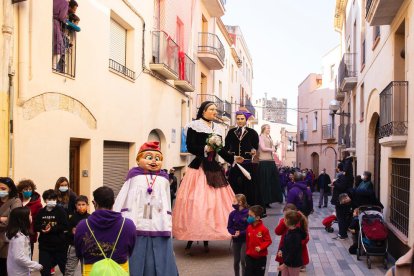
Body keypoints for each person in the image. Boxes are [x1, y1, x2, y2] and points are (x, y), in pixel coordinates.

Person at [172, 101, 243, 253]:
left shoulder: (217, 128)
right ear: (203, 111)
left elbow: (221, 150)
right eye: (211, 109)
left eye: (215, 110)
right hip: (198, 167)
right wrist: (205, 148)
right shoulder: (193, 126)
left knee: (215, 202)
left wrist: (232, 159)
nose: (214, 112)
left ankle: (215, 230)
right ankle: (193, 233)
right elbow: (190, 146)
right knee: (196, 202)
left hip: (214, 167)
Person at [113, 141, 178, 276]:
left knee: (161, 256)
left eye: (158, 158)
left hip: (159, 222)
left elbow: (167, 200)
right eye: (149, 157)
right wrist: (116, 215)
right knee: (135, 256)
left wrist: (168, 218)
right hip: (137, 222)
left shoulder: (164, 178)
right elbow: (123, 196)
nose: (154, 161)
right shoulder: (134, 175)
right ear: (138, 160)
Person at [75, 187, 136, 275]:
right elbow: (130, 251)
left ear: (94, 203)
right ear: (113, 202)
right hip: (119, 271)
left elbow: (79, 253)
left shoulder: (82, 226)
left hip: (91, 272)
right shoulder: (128, 225)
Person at [225, 110, 259, 205]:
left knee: (249, 187)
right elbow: (226, 147)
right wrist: (230, 155)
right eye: (238, 119)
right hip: (235, 164)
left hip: (247, 164)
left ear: (246, 120)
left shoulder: (252, 133)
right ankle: (233, 205)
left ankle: (249, 206)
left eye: (242, 119)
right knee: (233, 185)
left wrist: (253, 151)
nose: (240, 121)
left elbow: (255, 147)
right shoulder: (231, 132)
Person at [34, 189, 68, 276]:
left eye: (53, 199)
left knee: (65, 269)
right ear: (45, 200)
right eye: (49, 199)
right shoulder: (41, 212)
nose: (51, 201)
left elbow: (65, 225)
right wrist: (42, 229)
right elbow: (36, 225)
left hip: (59, 246)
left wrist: (52, 229)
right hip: (45, 246)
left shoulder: (60, 211)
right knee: (44, 270)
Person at [6, 207, 43, 275]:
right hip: (18, 272)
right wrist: (35, 265)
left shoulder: (20, 234)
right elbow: (19, 258)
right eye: (29, 215)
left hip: (20, 270)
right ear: (23, 218)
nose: (31, 217)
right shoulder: (19, 237)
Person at [275, 204, 309, 275]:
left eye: (285, 218)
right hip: (285, 255)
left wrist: (295, 245)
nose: (283, 219)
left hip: (293, 260)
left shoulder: (296, 232)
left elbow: (294, 250)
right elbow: (277, 232)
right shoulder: (289, 230)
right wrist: (282, 249)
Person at [0, 177, 22, 275]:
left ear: (10, 189)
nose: (0, 191)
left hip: (7, 241)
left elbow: (12, 220)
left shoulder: (15, 201)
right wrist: (3, 218)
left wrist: (6, 220)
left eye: (3, 189)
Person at [257, 124, 283, 209]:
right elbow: (263, 148)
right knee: (264, 183)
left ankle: (269, 200)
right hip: (264, 161)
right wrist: (272, 149)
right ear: (263, 128)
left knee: (271, 181)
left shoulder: (269, 137)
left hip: (271, 161)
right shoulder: (260, 137)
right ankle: (263, 201)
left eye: (269, 128)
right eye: (268, 128)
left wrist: (274, 147)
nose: (269, 129)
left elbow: (269, 148)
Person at [64, 195, 90, 276]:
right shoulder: (72, 218)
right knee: (69, 270)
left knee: (86, 270)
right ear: (75, 206)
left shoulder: (90, 218)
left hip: (87, 247)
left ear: (87, 205)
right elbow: (66, 233)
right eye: (79, 205)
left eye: (83, 204)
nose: (81, 207)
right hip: (73, 246)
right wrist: (71, 232)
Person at [17, 179, 43, 256]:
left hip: (29, 235)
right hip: (16, 233)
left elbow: (38, 220)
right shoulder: (17, 201)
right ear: (21, 191)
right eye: (25, 189)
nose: (28, 191)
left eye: (30, 189)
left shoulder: (37, 204)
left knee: (28, 257)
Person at [245, 205, 272, 276]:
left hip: (260, 258)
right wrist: (247, 251)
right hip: (249, 256)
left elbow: (268, 241)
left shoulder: (264, 229)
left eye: (250, 216)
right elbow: (247, 240)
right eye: (248, 215)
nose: (248, 217)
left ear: (257, 218)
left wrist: (261, 247)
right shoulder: (249, 228)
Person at [227, 194, 249, 276]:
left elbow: (250, 228)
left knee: (243, 260)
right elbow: (229, 227)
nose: (233, 203)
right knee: (236, 261)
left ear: (240, 202)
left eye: (234, 201)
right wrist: (233, 233)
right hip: (236, 240)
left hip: (245, 240)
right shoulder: (232, 214)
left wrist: (241, 233)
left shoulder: (248, 213)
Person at [53, 0, 69, 71]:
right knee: (60, 46)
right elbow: (62, 17)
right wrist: (66, 20)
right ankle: (53, 67)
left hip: (50, 22)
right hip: (55, 25)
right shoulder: (64, 3)